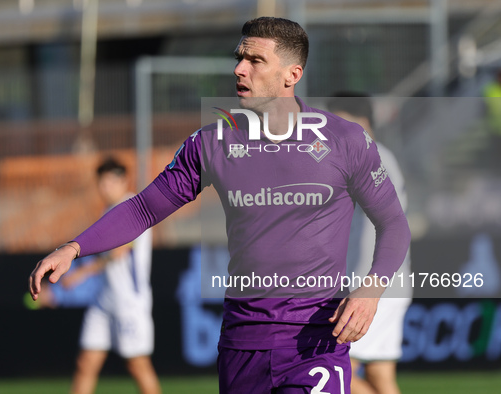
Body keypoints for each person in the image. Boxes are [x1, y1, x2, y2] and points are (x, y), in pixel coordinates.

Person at [30, 17, 411, 393]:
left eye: (255, 60)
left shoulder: (346, 140)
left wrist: (371, 290)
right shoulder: (212, 143)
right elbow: (145, 209)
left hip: (316, 341)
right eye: (239, 57)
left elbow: (393, 223)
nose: (239, 69)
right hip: (242, 344)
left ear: (291, 75)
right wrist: (75, 247)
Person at [327, 93, 412, 394]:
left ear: (359, 121)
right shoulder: (381, 155)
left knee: (332, 370)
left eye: (337, 121)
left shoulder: (368, 155)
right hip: (390, 283)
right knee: (380, 376)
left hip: (369, 285)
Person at [64, 158, 160, 394]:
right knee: (85, 363)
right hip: (105, 298)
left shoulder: (133, 207)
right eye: (100, 183)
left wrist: (80, 274)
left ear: (122, 180)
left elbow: (118, 252)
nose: (103, 188)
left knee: (138, 365)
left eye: (107, 182)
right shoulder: (107, 210)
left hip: (129, 300)